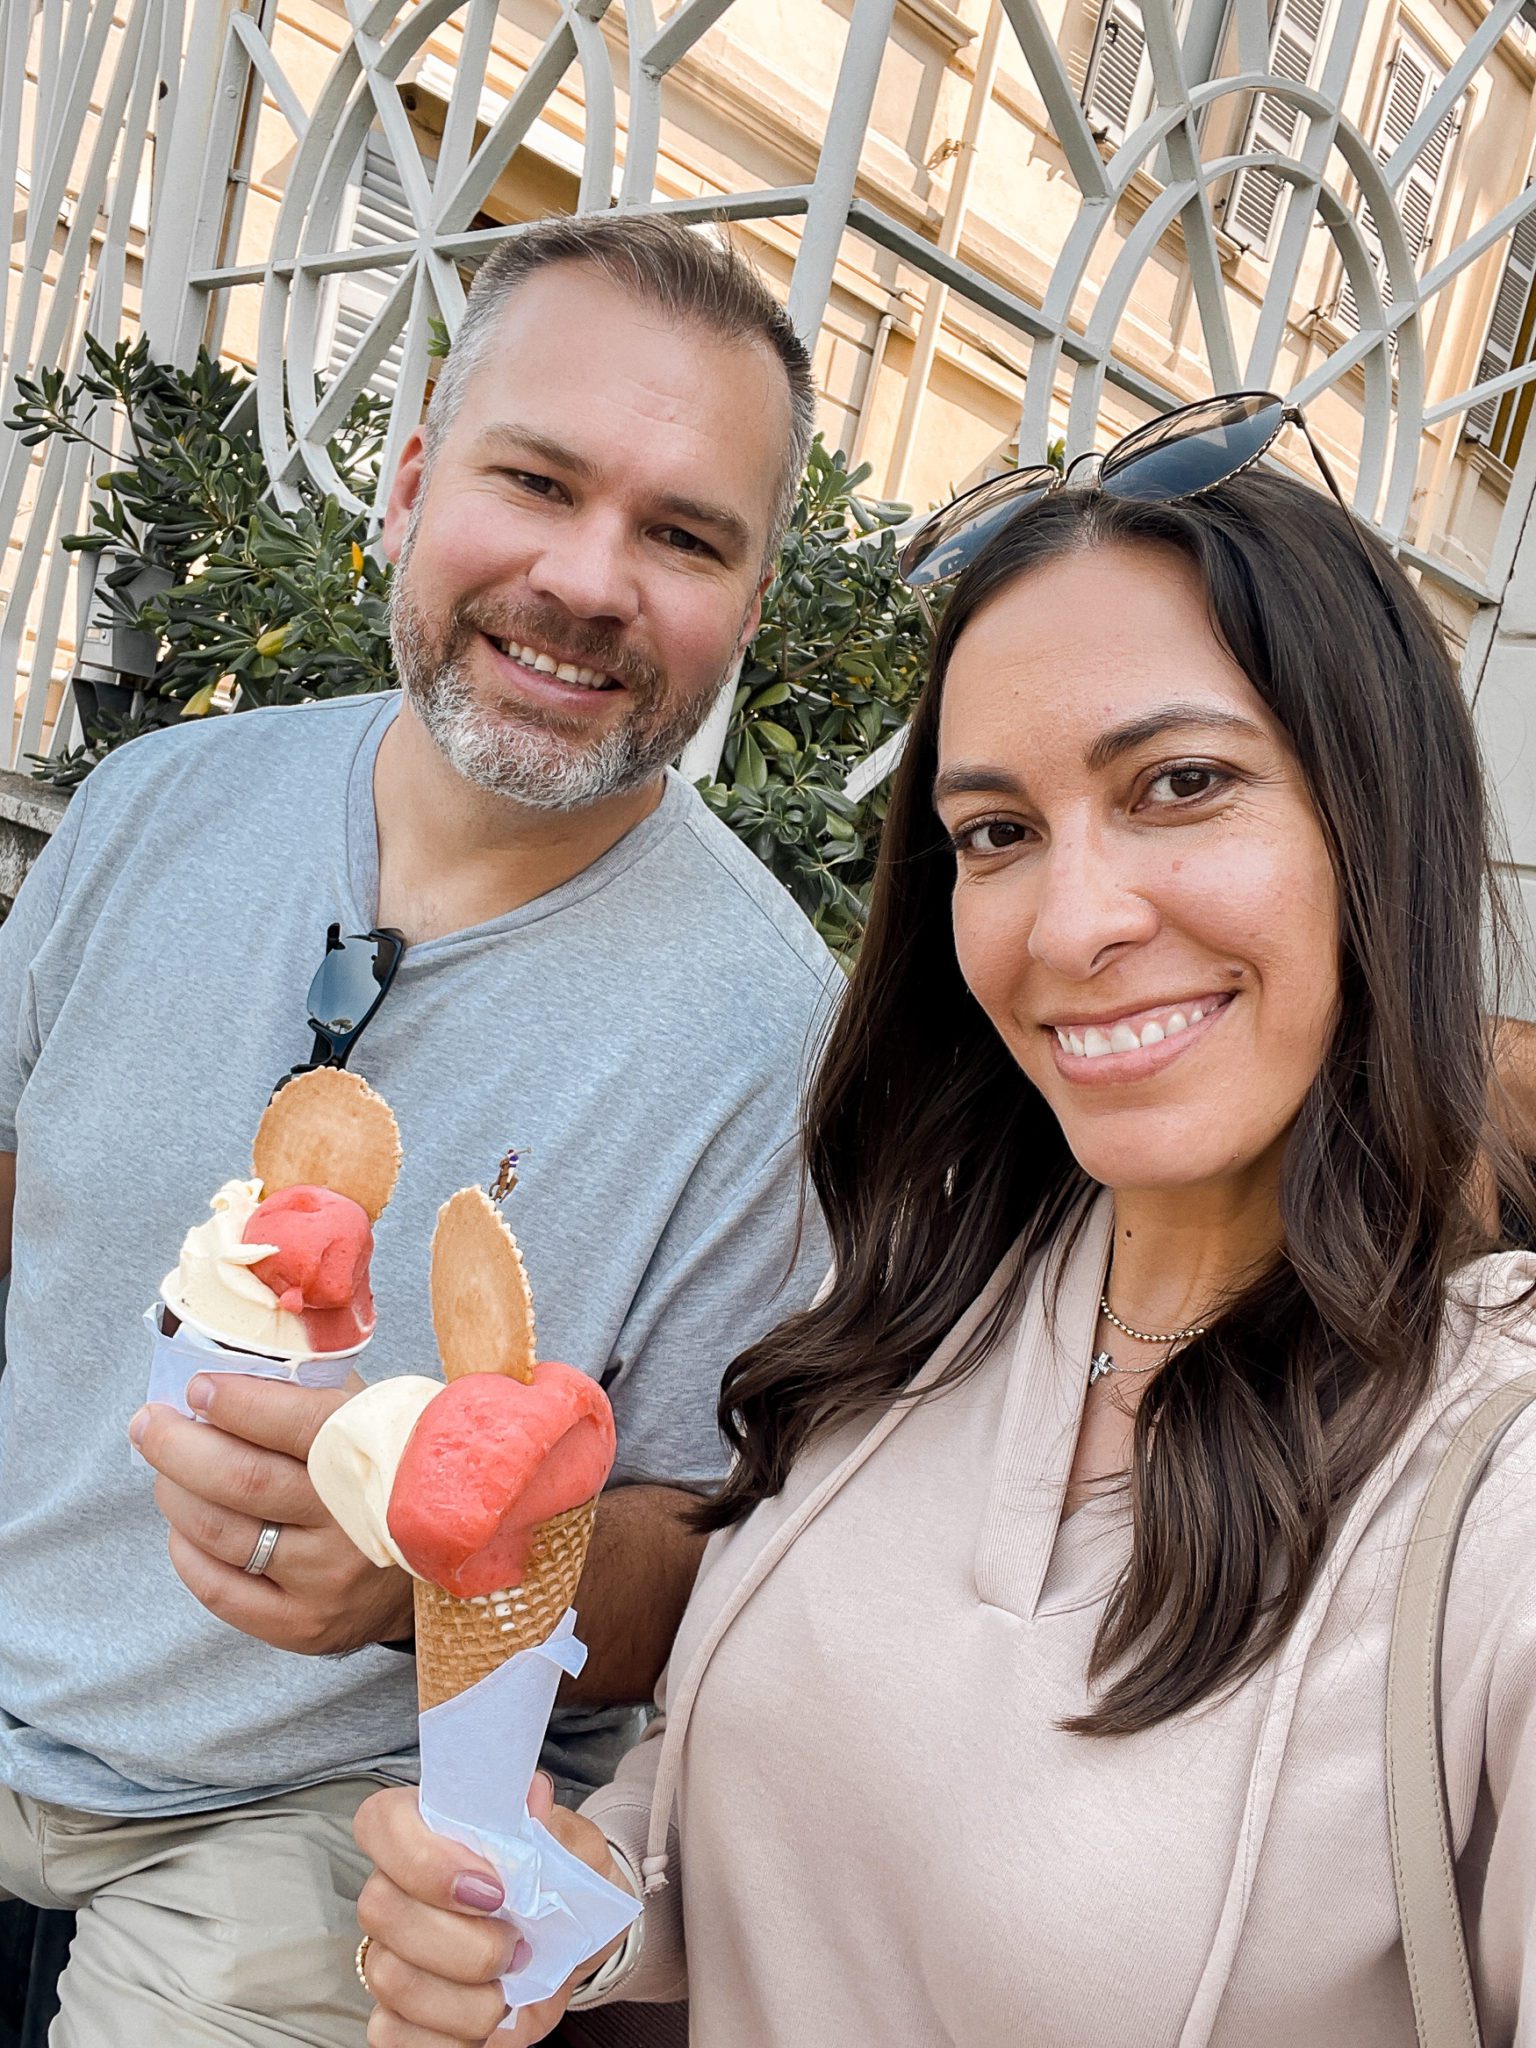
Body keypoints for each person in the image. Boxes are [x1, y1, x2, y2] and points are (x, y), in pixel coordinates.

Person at [355, 414, 1536, 2046]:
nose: (1071, 923)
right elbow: (745, 1804)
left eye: (1181, 785)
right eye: (998, 833)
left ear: (1379, 817)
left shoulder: (1496, 1496)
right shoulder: (926, 1308)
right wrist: (569, 1910)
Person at [0, 215, 838, 2044]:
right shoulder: (151, 809)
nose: (588, 580)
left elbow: (715, 1559)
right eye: (534, 480)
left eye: (685, 536)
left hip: (327, 1821)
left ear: (751, 603)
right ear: (407, 482)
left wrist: (427, 1576)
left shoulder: (778, 1052)